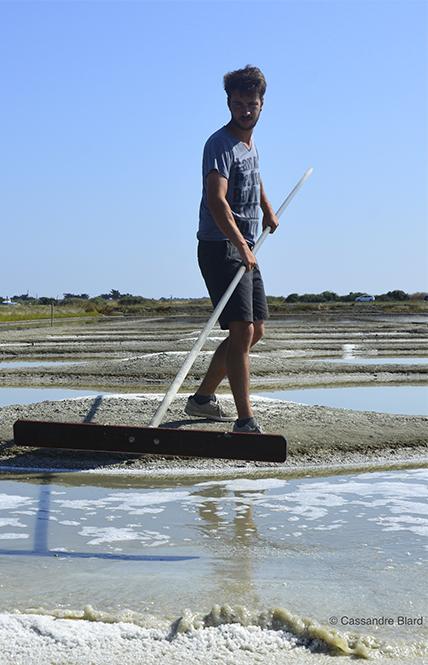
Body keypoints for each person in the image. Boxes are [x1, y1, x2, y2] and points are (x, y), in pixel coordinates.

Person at [185, 65, 279, 433]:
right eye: (238, 103)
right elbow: (216, 200)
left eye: (251, 103)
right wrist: (240, 243)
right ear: (228, 102)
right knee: (241, 331)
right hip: (221, 246)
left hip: (244, 248)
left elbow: (254, 177)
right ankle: (245, 420)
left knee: (255, 331)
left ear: (261, 104)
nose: (244, 109)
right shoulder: (219, 144)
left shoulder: (249, 145)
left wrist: (266, 209)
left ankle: (202, 400)